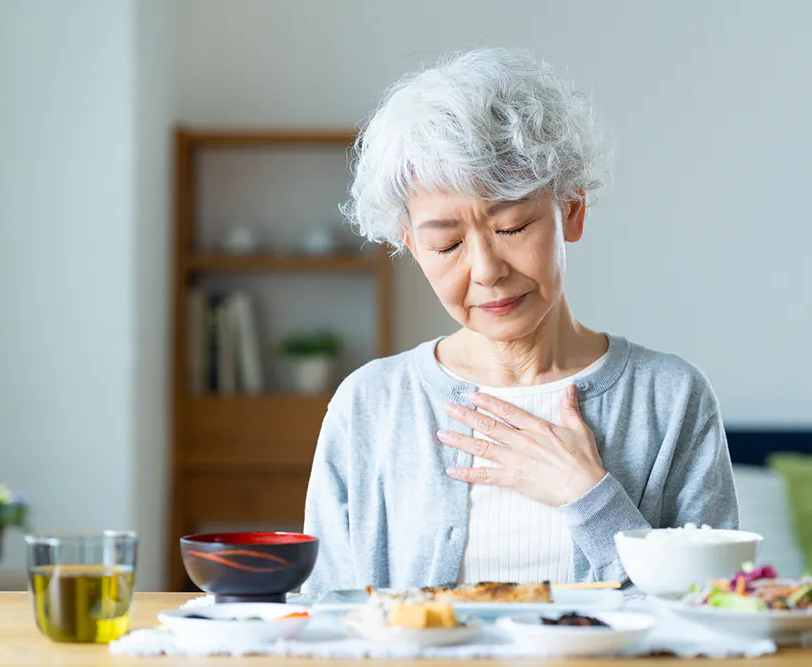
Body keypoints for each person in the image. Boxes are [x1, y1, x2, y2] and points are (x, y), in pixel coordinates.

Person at [302, 48, 737, 594]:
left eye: (511, 228)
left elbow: (715, 617)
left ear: (571, 210)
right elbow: (329, 620)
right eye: (447, 243)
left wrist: (590, 496)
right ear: (411, 245)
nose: (485, 271)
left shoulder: (670, 400)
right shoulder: (371, 405)